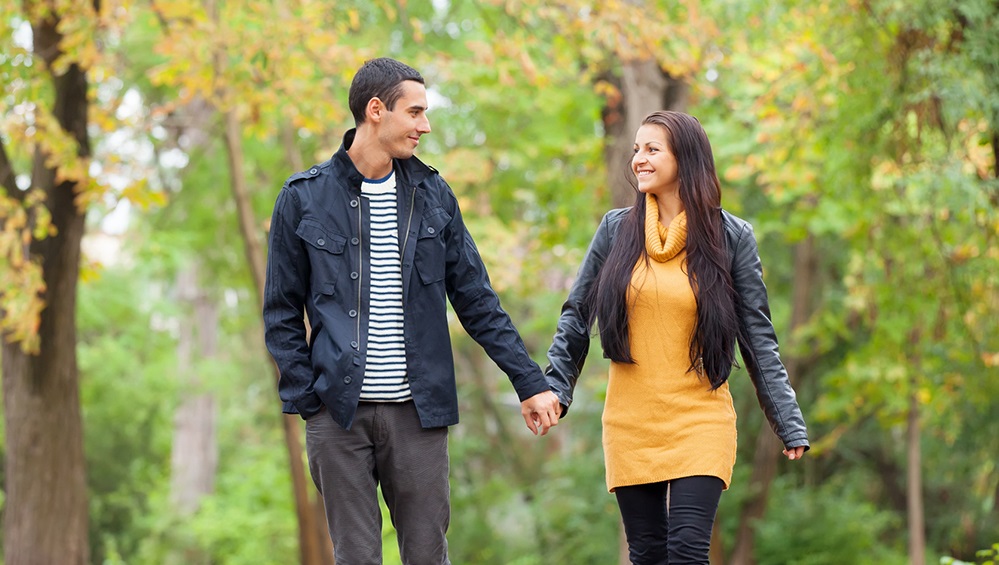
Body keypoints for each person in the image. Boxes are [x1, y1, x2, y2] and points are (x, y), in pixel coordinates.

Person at [262, 57, 561, 564]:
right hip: (337, 413)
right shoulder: (303, 198)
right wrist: (307, 397)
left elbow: (476, 299)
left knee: (427, 556)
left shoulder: (433, 197)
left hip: (418, 416)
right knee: (356, 557)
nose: (425, 126)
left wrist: (529, 381)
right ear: (376, 110)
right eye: (416, 112)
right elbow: (281, 311)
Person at [544, 111, 809, 564]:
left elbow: (758, 337)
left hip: (699, 417)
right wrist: (554, 388)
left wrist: (788, 421)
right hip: (632, 419)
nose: (638, 160)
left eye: (652, 150)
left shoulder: (730, 237)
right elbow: (577, 315)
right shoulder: (615, 231)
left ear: (684, 159)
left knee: (687, 553)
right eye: (636, 150)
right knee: (647, 555)